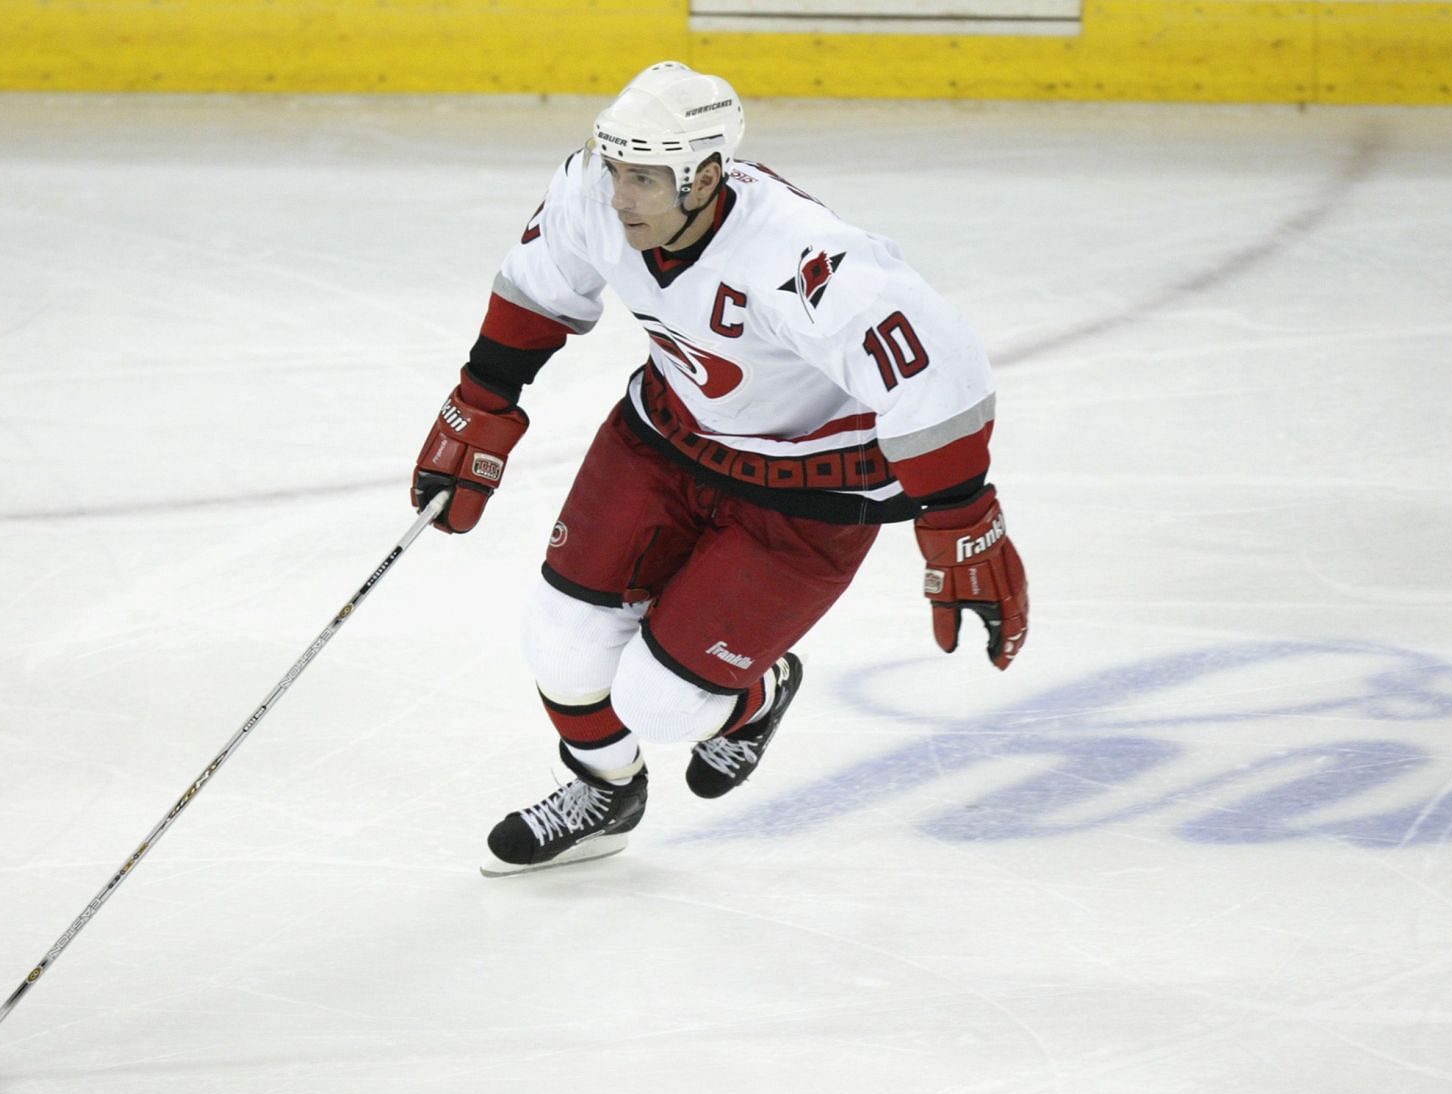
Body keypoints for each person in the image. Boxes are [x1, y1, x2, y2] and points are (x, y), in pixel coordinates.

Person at [411, 61, 1029, 876]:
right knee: (561, 643)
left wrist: (959, 518)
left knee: (661, 704)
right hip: (665, 441)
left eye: (644, 178)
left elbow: (935, 372)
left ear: (703, 177)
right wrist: (480, 407)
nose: (620, 195)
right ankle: (604, 795)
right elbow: (537, 286)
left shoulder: (805, 259)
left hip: (811, 493)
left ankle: (758, 695)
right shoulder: (592, 192)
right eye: (614, 169)